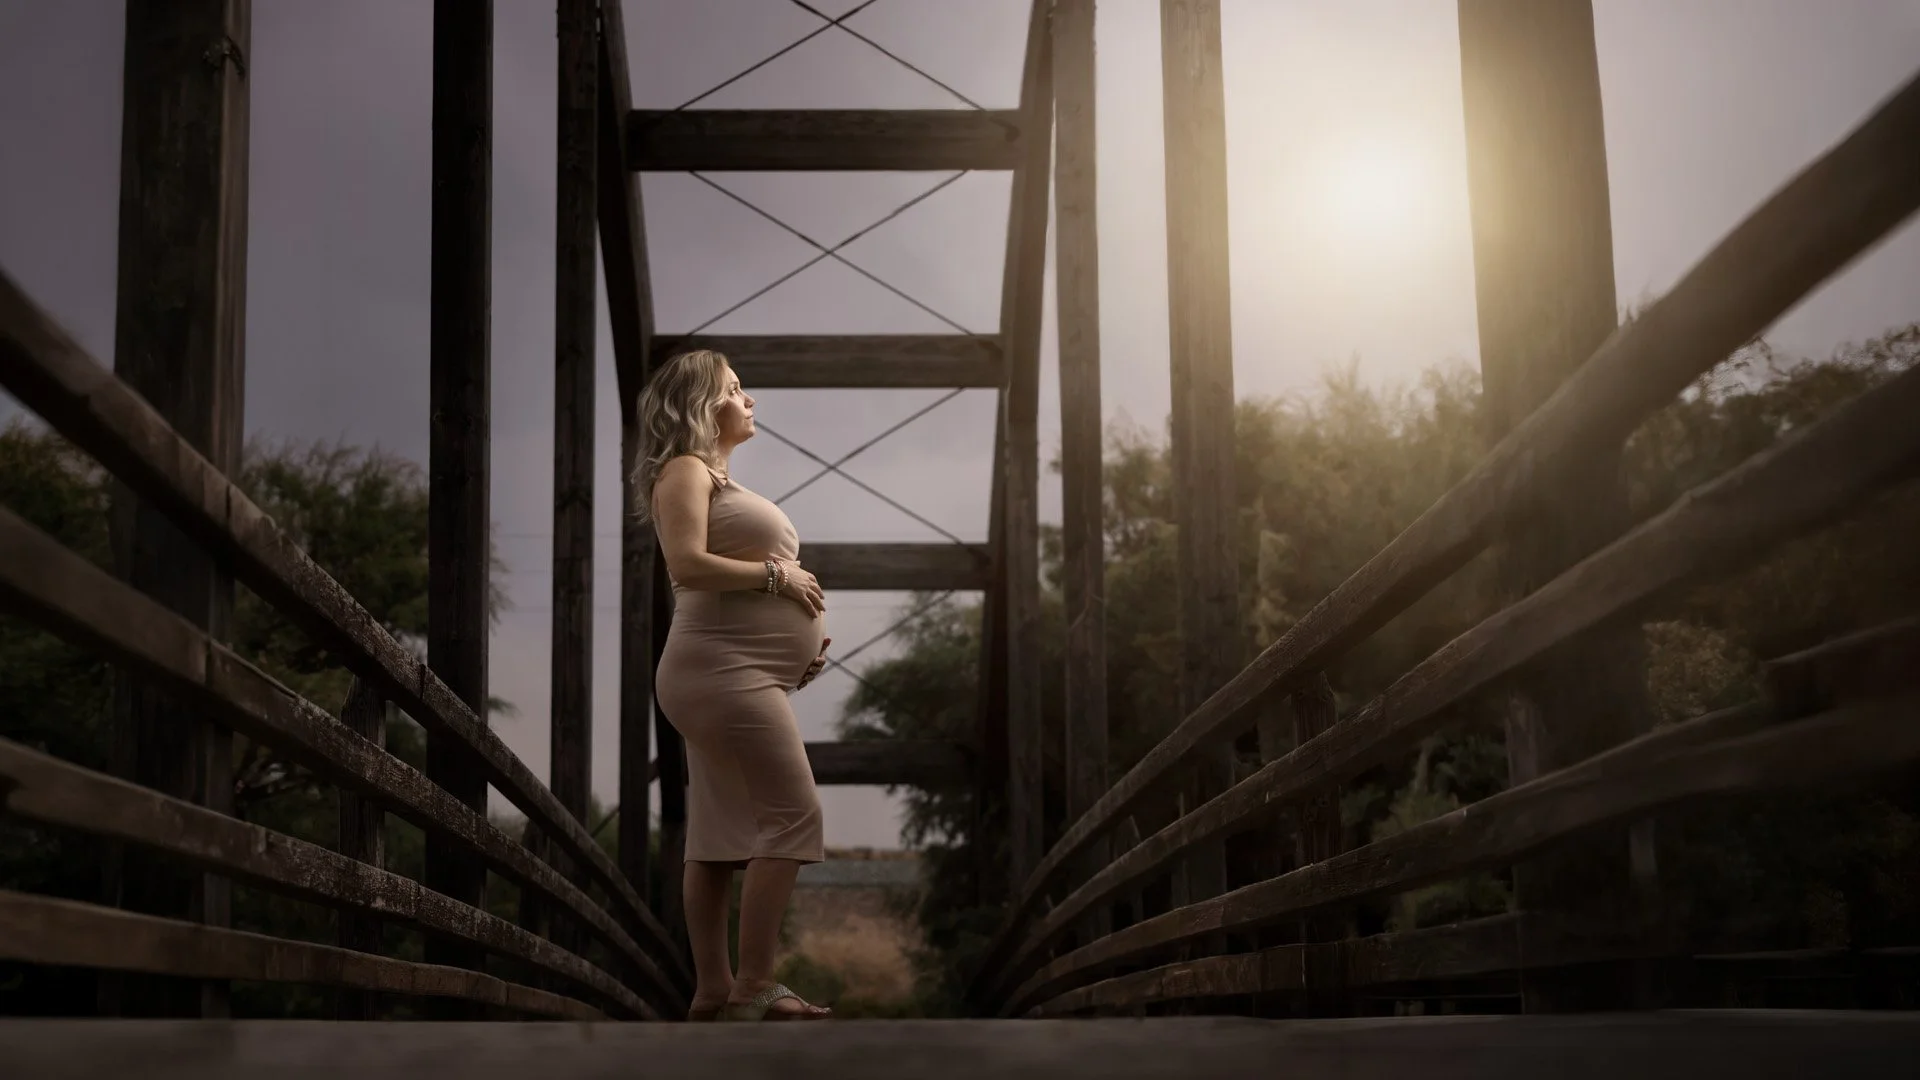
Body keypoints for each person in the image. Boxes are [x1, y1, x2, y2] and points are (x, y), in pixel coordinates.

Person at [632, 349, 834, 1022]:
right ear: (702, 405)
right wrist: (779, 580)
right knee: (795, 815)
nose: (751, 402)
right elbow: (688, 564)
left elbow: (726, 573)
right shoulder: (686, 469)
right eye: (737, 390)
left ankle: (713, 990)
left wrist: (795, 653)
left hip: (732, 670)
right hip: (719, 670)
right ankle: (754, 983)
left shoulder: (714, 479)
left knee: (718, 836)